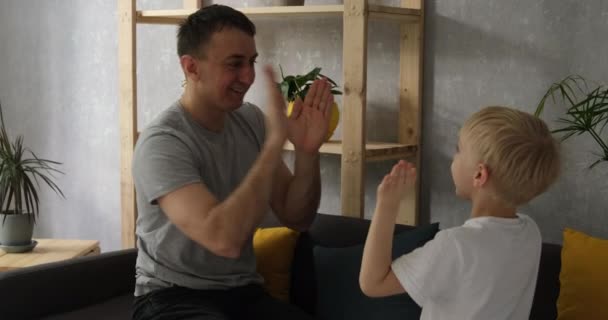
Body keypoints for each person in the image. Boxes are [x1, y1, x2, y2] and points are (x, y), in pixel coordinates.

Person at [131, 4, 333, 319]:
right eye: (235, 64)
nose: (249, 76)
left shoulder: (250, 120)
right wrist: (274, 145)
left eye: (251, 62)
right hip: (171, 298)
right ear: (191, 67)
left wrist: (307, 153)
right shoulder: (162, 143)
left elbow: (298, 216)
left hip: (243, 293)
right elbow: (222, 239)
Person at [359, 106, 561, 320]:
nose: (453, 157)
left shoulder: (455, 245)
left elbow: (373, 283)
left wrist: (387, 205)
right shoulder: (530, 232)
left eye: (458, 149)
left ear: (479, 174)